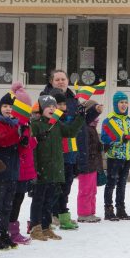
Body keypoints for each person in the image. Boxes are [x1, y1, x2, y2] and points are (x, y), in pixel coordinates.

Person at [30, 93, 84, 240]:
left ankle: (46, 227)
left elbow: (71, 132)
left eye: (54, 106)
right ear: (41, 108)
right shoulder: (35, 124)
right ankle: (35, 227)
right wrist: (34, 169)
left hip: (54, 169)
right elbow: (32, 149)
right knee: (38, 200)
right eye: (48, 106)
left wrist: (80, 117)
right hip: (41, 169)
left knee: (49, 200)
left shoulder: (56, 124)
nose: (52, 109)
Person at [0, 89, 24, 246]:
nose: (8, 109)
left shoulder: (16, 124)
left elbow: (19, 149)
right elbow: (0, 139)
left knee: (7, 206)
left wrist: (24, 140)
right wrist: (17, 134)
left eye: (11, 107)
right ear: (0, 108)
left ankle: (3, 233)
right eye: (5, 106)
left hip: (12, 171)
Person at [101, 92, 130, 220]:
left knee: (122, 184)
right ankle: (108, 209)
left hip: (127, 158)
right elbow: (105, 139)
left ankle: (121, 209)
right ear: (115, 104)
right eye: (121, 102)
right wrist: (119, 140)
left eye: (125, 102)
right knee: (111, 183)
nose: (124, 105)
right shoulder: (109, 120)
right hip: (114, 158)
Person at [6, 83, 35, 245]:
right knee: (13, 200)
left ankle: (13, 230)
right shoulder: (15, 124)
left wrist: (33, 140)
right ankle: (9, 230)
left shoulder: (26, 125)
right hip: (16, 169)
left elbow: (29, 147)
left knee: (19, 199)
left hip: (24, 170)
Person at [75, 100, 104, 222]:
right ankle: (84, 213)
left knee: (92, 190)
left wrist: (100, 147)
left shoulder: (92, 128)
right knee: (86, 190)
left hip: (93, 163)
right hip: (86, 163)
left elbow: (93, 145)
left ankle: (91, 211)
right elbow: (84, 146)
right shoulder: (84, 127)